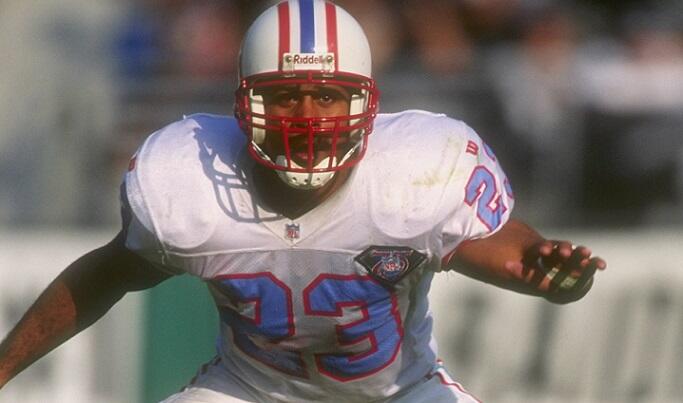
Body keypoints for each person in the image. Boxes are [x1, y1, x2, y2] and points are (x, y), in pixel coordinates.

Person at [0, 1, 606, 402]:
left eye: (329, 98)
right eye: (285, 97)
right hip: (248, 390)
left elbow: (500, 249)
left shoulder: (419, 170)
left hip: (400, 392)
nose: (309, 119)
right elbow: (109, 271)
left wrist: (544, 270)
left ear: (367, 105)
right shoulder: (186, 181)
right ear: (245, 104)